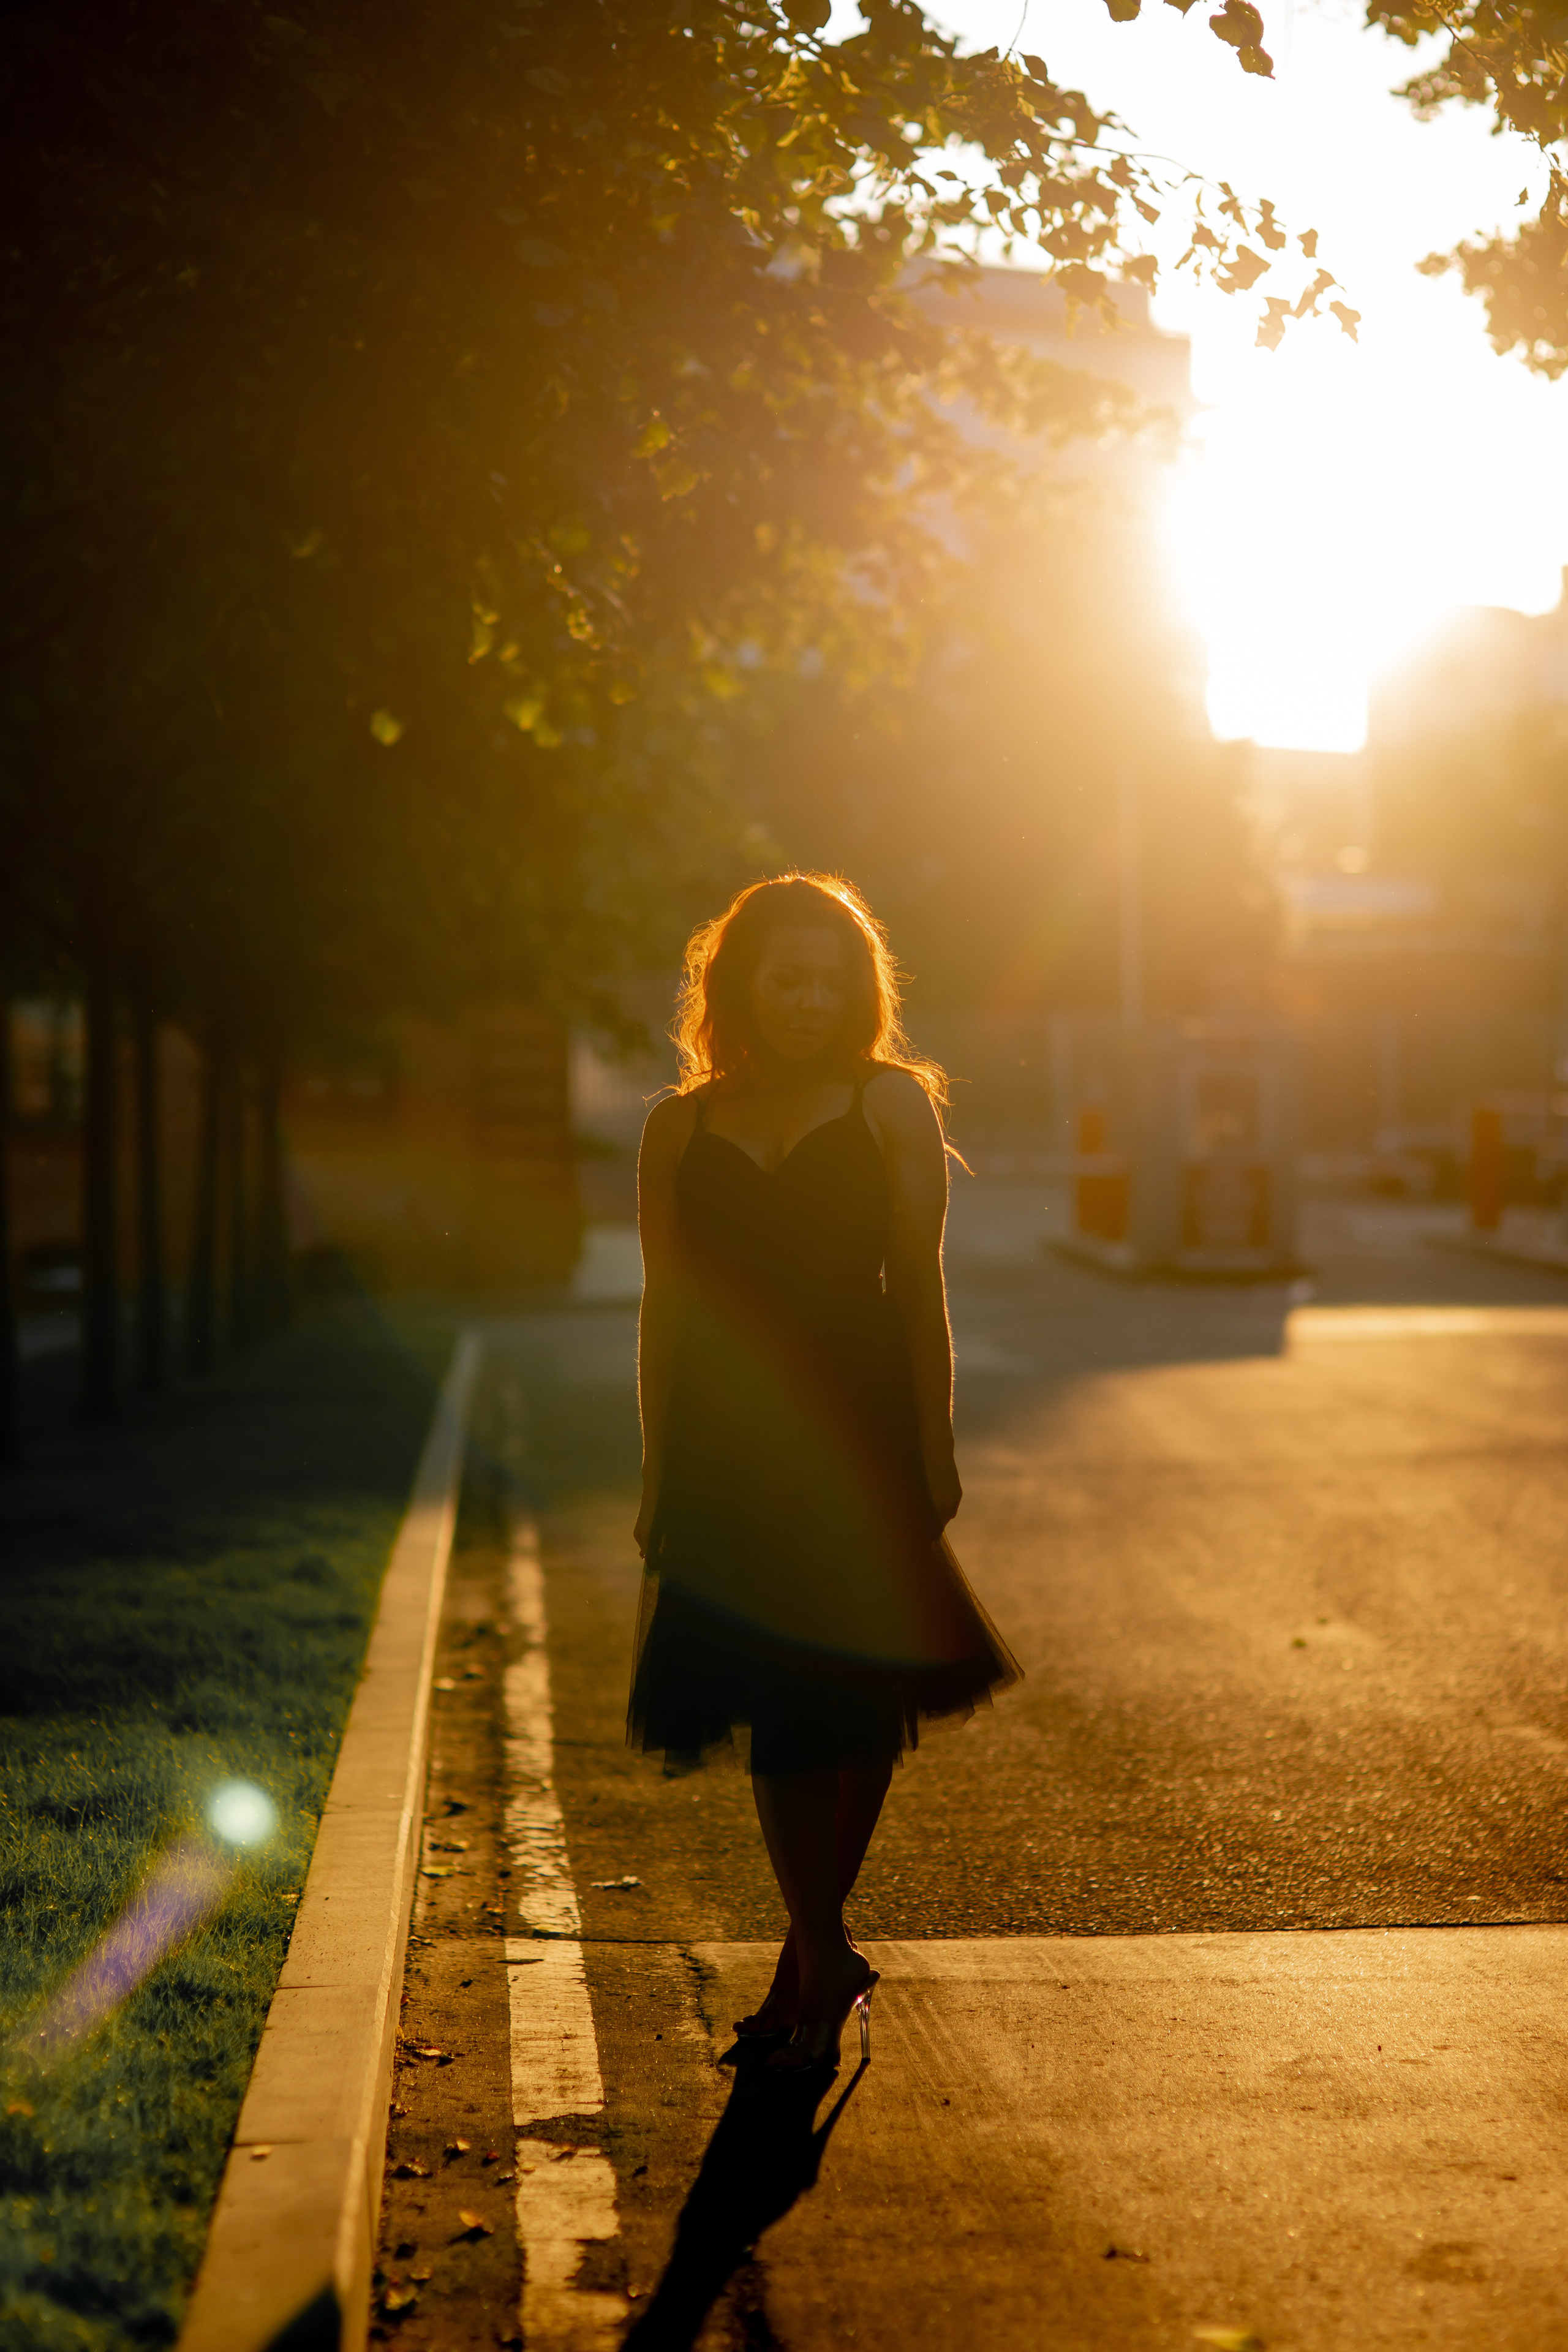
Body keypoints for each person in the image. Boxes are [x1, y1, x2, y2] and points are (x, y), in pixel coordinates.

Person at [628, 872, 1018, 2076]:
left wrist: (936, 1444)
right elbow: (668, 1309)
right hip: (730, 1454)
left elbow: (920, 1286)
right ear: (735, 986)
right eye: (780, 978)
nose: (804, 1000)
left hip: (859, 1438)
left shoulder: (888, 1105)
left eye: (827, 980)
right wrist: (656, 1470)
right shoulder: (677, 1127)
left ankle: (808, 1962)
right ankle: (820, 1952)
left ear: (861, 991)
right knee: (781, 1716)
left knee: (852, 1704)